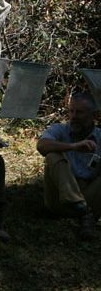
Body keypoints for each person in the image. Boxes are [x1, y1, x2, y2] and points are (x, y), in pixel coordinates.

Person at [37, 92, 101, 239]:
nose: (74, 116)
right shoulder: (60, 129)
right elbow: (41, 146)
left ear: (93, 115)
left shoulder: (99, 137)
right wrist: (73, 146)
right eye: (71, 111)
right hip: (59, 199)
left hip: (89, 198)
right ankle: (81, 209)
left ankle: (83, 210)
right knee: (52, 155)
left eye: (79, 112)